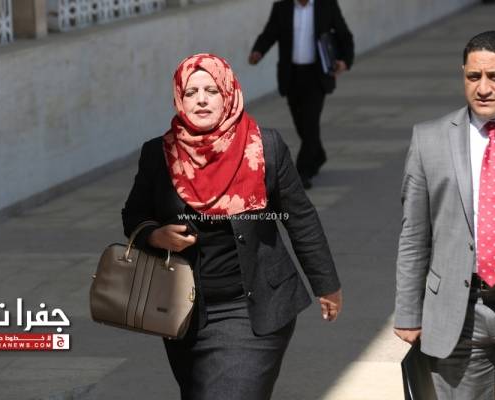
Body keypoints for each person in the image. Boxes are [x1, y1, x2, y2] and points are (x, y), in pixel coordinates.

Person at [122, 53, 342, 400]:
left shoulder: (264, 147)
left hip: (255, 309)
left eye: (211, 90)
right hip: (184, 314)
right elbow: (134, 214)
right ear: (179, 98)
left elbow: (300, 217)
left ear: (228, 93)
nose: (202, 99)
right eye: (191, 92)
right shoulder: (159, 154)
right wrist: (155, 234)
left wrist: (325, 283)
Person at [394, 31, 495, 398]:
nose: (483, 88)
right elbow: (414, 235)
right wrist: (408, 311)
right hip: (456, 313)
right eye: (474, 76)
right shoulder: (429, 139)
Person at [248, 0, 354, 189]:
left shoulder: (326, 6)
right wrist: (258, 51)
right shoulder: (282, 8)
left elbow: (344, 35)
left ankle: (301, 173)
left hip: (317, 75)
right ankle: (318, 154)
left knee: (310, 122)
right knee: (301, 124)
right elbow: (269, 34)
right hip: (292, 75)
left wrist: (345, 61)